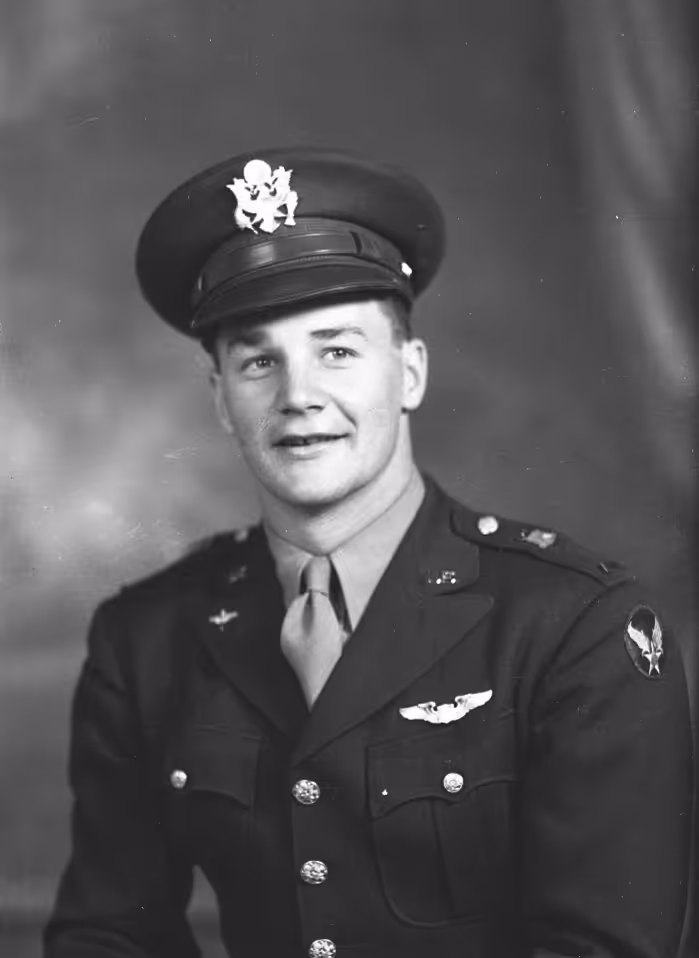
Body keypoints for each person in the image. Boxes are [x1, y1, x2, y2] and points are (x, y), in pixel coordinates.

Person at [44, 148, 693, 958]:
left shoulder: (572, 626)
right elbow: (108, 935)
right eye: (258, 361)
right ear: (219, 399)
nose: (298, 396)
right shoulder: (146, 637)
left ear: (409, 373)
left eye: (337, 350)